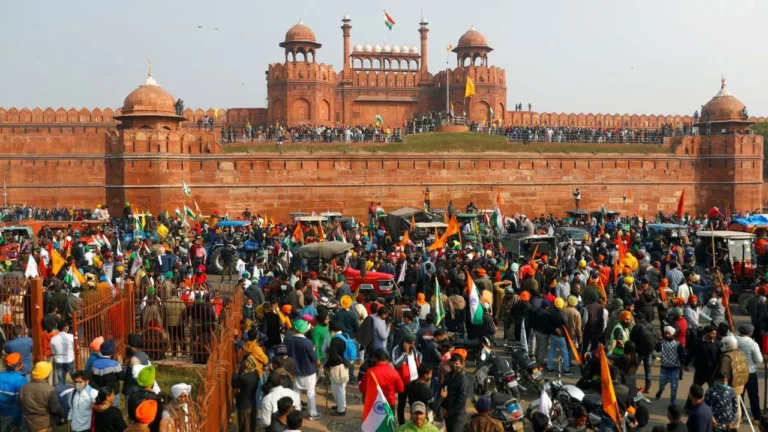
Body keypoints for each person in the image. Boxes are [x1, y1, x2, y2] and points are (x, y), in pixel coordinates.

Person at [285, 318, 321, 420]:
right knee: (310, 392)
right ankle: (312, 413)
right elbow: (313, 358)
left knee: (296, 392)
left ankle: (297, 412)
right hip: (308, 371)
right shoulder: (308, 342)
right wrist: (313, 349)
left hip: (294, 371)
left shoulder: (289, 340)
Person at [18, 361, 65, 432]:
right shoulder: (49, 389)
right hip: (46, 425)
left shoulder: (23, 388)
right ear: (47, 375)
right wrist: (63, 414)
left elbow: (20, 404)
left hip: (29, 424)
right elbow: (55, 409)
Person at [716, 335, 749, 427]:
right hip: (740, 384)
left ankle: (729, 425)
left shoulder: (726, 357)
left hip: (729, 386)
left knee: (727, 407)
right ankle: (736, 424)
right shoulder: (741, 354)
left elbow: (723, 374)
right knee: (737, 405)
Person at [392, 332, 421, 424]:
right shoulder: (396, 349)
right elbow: (396, 364)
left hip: (414, 381)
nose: (413, 345)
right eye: (411, 343)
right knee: (401, 404)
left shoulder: (413, 348)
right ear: (405, 343)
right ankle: (402, 424)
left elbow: (418, 357)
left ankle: (413, 423)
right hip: (403, 382)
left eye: (414, 343)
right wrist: (404, 353)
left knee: (414, 403)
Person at [735, 323, 763, 420]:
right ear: (750, 333)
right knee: (753, 396)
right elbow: (759, 359)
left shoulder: (735, 340)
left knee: (739, 395)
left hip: (738, 372)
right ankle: (756, 417)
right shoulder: (753, 344)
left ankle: (740, 415)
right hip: (750, 372)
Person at [655, 326, 685, 406]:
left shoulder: (678, 344)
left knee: (674, 386)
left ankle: (672, 403)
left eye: (669, 334)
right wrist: (659, 340)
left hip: (675, 368)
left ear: (672, 334)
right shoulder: (662, 342)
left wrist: (682, 367)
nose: (667, 335)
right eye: (666, 333)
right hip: (664, 367)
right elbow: (657, 349)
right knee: (662, 384)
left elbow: (682, 356)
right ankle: (661, 390)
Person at [325, 321, 349, 417]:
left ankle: (340, 410)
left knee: (337, 389)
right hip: (345, 364)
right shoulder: (345, 336)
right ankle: (342, 405)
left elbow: (333, 357)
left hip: (337, 366)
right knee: (342, 388)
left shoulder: (335, 340)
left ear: (332, 330)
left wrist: (327, 365)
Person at [441, 353, 470, 432]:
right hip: (447, 413)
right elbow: (444, 385)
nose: (454, 366)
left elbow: (461, 400)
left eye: (457, 364)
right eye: (453, 364)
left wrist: (449, 412)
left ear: (461, 364)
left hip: (457, 416)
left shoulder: (463, 381)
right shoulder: (449, 375)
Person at [232, 353, 260, 432]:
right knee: (251, 426)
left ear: (248, 363)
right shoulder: (256, 373)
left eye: (244, 362)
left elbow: (234, 384)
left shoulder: (243, 377)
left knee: (244, 427)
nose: (243, 363)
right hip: (253, 403)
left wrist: (236, 373)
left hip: (244, 405)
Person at [0, 353, 27, 431]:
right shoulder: (21, 380)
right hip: (11, 415)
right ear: (19, 364)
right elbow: (19, 404)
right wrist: (16, 423)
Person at [50, 320, 75, 385]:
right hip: (70, 359)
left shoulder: (53, 339)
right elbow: (75, 347)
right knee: (75, 379)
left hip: (59, 361)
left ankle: (62, 393)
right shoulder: (71, 337)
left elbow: (53, 352)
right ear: (65, 327)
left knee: (61, 381)